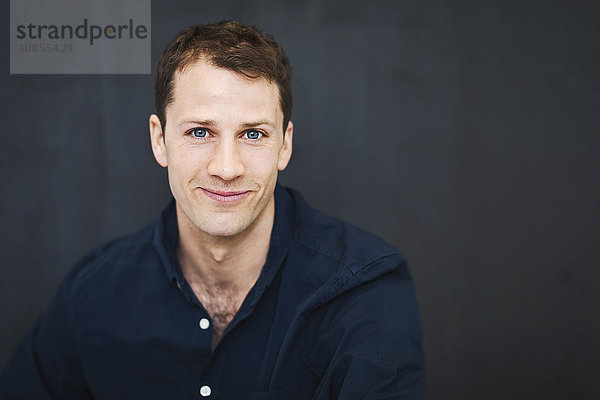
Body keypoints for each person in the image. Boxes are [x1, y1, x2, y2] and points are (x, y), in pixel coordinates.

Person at [0, 21, 424, 399]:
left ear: (285, 144)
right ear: (159, 140)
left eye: (253, 134)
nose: (226, 167)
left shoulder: (364, 290)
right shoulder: (94, 293)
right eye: (200, 132)